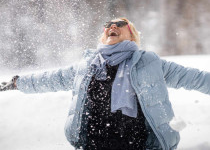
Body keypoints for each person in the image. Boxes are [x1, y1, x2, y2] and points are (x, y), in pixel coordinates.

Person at [1, 17, 210, 150]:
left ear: (132, 34)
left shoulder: (148, 62)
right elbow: (53, 78)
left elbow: (193, 78)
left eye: (120, 24)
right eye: (108, 25)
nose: (112, 26)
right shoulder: (88, 66)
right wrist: (18, 83)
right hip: (93, 144)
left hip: (136, 145)